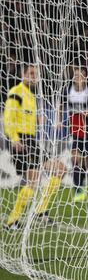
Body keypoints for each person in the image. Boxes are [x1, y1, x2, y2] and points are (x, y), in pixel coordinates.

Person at [4, 63, 67, 229]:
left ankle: (39, 210)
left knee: (60, 170)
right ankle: (13, 220)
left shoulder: (31, 96)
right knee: (34, 180)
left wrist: (38, 121)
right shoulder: (16, 92)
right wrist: (15, 139)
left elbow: (24, 117)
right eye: (30, 74)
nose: (34, 77)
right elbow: (8, 118)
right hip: (21, 141)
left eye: (35, 74)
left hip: (31, 141)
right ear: (23, 75)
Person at [57, 66, 88, 202]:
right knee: (75, 157)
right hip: (73, 127)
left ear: (85, 78)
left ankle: (80, 185)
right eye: (76, 75)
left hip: (87, 127)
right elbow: (60, 106)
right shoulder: (68, 90)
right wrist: (58, 121)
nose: (78, 78)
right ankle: (76, 189)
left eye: (80, 76)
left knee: (84, 161)